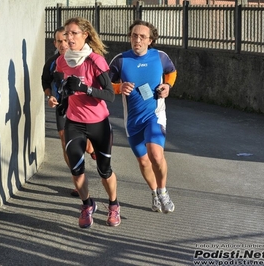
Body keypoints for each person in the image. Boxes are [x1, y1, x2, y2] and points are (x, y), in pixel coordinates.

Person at [55, 17, 120, 228]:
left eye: (74, 33)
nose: (69, 37)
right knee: (75, 167)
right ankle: (87, 204)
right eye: (67, 34)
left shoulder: (95, 60)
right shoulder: (62, 60)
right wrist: (64, 98)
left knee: (104, 170)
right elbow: (61, 82)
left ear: (86, 35)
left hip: (98, 123)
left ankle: (113, 205)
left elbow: (110, 95)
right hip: (74, 122)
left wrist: (85, 89)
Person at [109, 19, 177, 214]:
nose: (137, 40)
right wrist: (118, 87)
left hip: (154, 115)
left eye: (142, 37)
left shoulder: (160, 57)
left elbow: (171, 72)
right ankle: (154, 193)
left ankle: (163, 191)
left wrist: (168, 86)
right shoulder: (121, 60)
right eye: (134, 36)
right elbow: (104, 84)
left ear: (150, 40)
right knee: (144, 161)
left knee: (156, 154)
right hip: (132, 121)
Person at [41, 26, 96, 198]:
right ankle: (78, 178)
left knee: (85, 143)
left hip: (82, 106)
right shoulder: (52, 63)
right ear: (55, 43)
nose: (63, 44)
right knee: (66, 142)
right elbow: (46, 83)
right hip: (63, 106)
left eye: (66, 40)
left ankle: (91, 147)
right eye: (59, 41)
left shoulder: (83, 58)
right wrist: (50, 96)